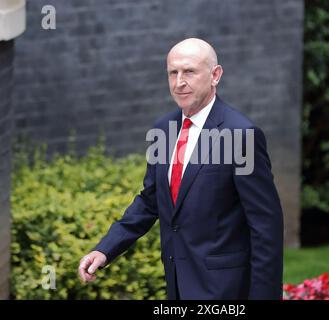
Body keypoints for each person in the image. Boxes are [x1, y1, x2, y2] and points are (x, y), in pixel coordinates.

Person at [78, 38, 284, 300]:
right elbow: (150, 200)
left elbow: (266, 226)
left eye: (189, 71)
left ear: (215, 75)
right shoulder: (163, 130)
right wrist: (105, 249)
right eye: (173, 73)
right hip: (178, 285)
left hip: (226, 289)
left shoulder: (240, 135)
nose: (179, 82)